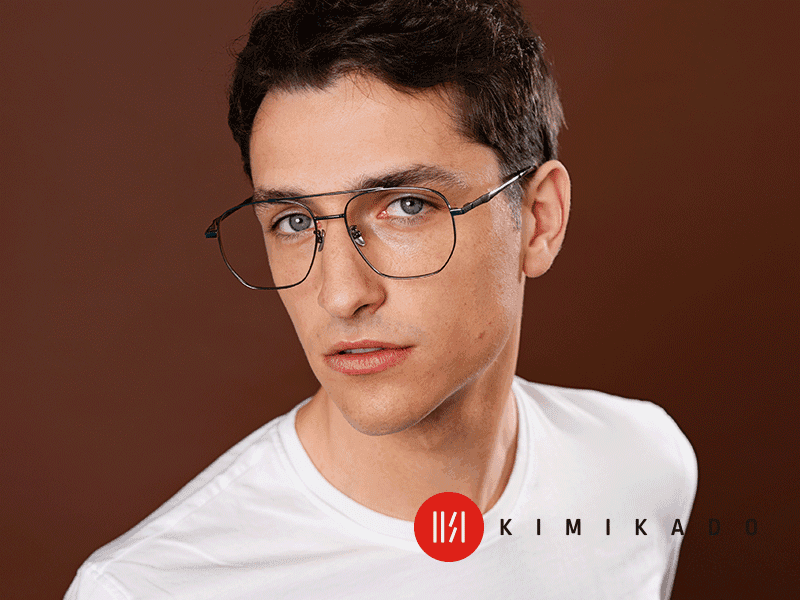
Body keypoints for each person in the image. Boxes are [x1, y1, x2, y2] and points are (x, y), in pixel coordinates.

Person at [66, 0, 697, 597]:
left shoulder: (641, 465)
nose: (340, 295)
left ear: (538, 220)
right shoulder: (150, 588)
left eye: (407, 206)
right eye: (294, 221)